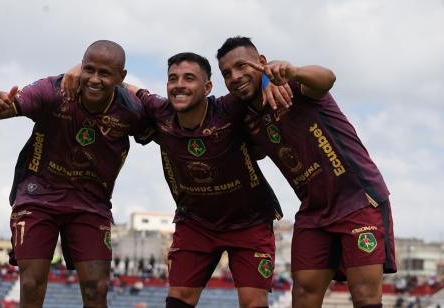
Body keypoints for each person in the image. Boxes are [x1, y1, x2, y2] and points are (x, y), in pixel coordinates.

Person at [62, 52, 285, 308]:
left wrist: (269, 81)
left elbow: (257, 81)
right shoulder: (159, 112)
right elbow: (121, 83)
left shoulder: (229, 109)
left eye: (189, 78)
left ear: (208, 87)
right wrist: (80, 67)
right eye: (173, 79)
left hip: (249, 221)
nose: (179, 84)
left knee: (253, 303)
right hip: (196, 223)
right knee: (178, 301)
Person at [216, 36, 396, 308]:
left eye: (242, 66)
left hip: (357, 198)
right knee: (303, 295)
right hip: (313, 210)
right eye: (227, 73)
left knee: (365, 296)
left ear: (261, 62)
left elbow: (328, 78)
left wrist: (293, 71)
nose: (235, 76)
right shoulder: (244, 114)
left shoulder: (291, 86)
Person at [0, 40, 149, 308]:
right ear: (81, 65)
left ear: (121, 77)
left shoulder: (132, 110)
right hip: (38, 195)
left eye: (105, 74)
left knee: (97, 288)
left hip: (91, 203)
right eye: (89, 69)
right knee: (32, 282)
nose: (94, 79)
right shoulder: (53, 90)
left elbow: (169, 128)